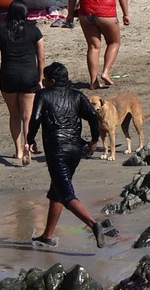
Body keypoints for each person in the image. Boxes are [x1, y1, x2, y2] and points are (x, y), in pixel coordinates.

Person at [25, 62, 107, 250]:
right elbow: (94, 117)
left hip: (57, 152)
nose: (42, 82)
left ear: (52, 81)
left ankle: (94, 225)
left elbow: (35, 119)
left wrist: (30, 140)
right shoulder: (77, 96)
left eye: (45, 79)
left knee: (66, 194)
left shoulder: (43, 95)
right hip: (75, 151)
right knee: (57, 192)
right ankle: (47, 236)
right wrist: (94, 140)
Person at [0, 0, 45, 166]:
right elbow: (41, 58)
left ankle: (18, 150)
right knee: (28, 117)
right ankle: (28, 146)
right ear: (25, 13)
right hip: (28, 77)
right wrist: (41, 79)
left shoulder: (0, 32)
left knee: (14, 115)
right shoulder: (34, 31)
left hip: (8, 77)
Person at [71, 0, 130, 89]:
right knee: (114, 42)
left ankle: (93, 81)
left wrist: (69, 13)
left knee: (93, 46)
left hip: (86, 11)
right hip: (106, 12)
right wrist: (126, 14)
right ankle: (105, 72)